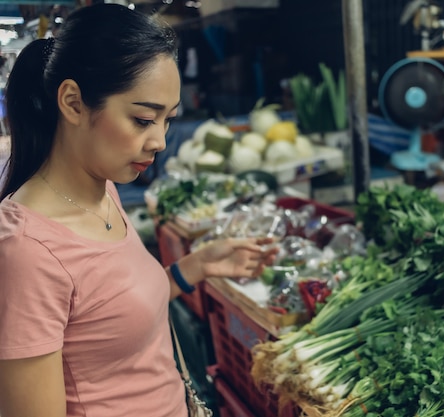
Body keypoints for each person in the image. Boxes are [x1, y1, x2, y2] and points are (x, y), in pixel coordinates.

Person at [0, 4, 277, 417]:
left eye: (168, 120)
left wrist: (194, 268)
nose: (160, 142)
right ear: (73, 103)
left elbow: (109, 319)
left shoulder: (104, 189)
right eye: (144, 119)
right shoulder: (27, 251)